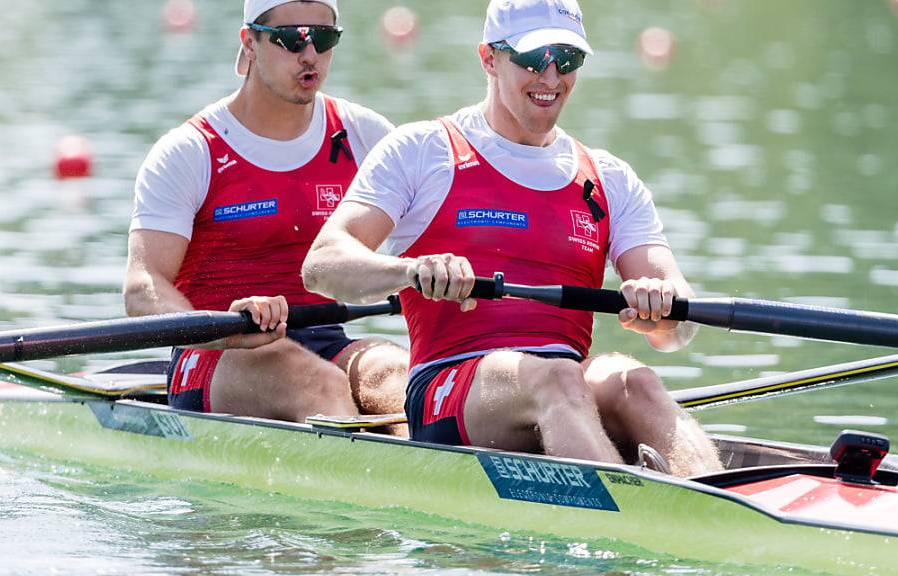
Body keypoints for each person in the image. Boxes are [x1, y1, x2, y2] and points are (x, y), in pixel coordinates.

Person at [302, 0, 721, 475]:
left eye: (566, 60)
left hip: (562, 391)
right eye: (531, 59)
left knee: (635, 380)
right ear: (488, 58)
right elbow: (322, 265)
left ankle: (724, 507)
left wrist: (662, 310)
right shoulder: (423, 150)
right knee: (559, 378)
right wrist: (410, 271)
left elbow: (679, 330)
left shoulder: (608, 178)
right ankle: (634, 514)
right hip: (449, 391)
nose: (550, 77)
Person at [124, 0, 408, 428]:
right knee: (320, 386)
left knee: (398, 378)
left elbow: (432, 243)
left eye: (325, 39)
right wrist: (222, 330)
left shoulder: (366, 136)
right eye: (291, 39)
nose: (310, 55)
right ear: (250, 42)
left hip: (328, 338)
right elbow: (142, 288)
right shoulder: (189, 151)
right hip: (215, 353)